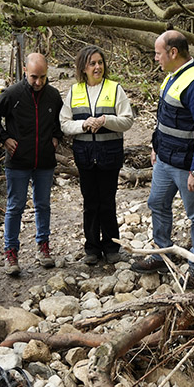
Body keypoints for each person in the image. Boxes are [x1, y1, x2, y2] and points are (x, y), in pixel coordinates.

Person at [130, 31, 194, 290]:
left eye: (158, 53)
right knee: (156, 202)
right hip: (165, 160)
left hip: (187, 165)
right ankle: (161, 252)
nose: (155, 58)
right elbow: (164, 118)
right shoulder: (172, 77)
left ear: (173, 53)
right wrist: (156, 146)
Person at [60, 45, 134, 265]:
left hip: (109, 156)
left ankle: (112, 247)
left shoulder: (114, 89)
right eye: (92, 63)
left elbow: (128, 120)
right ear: (83, 67)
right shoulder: (74, 91)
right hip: (85, 156)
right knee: (90, 202)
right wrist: (83, 124)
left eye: (100, 62)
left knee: (107, 202)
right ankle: (92, 248)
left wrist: (105, 120)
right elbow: (64, 123)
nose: (97, 67)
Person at [0, 53, 63, 276]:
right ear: (25, 70)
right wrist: (4, 137)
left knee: (43, 205)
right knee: (15, 206)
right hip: (18, 161)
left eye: (43, 77)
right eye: (34, 77)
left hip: (44, 160)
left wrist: (56, 137)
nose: (38, 82)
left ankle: (43, 247)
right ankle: (11, 252)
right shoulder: (12, 94)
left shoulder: (52, 95)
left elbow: (61, 120)